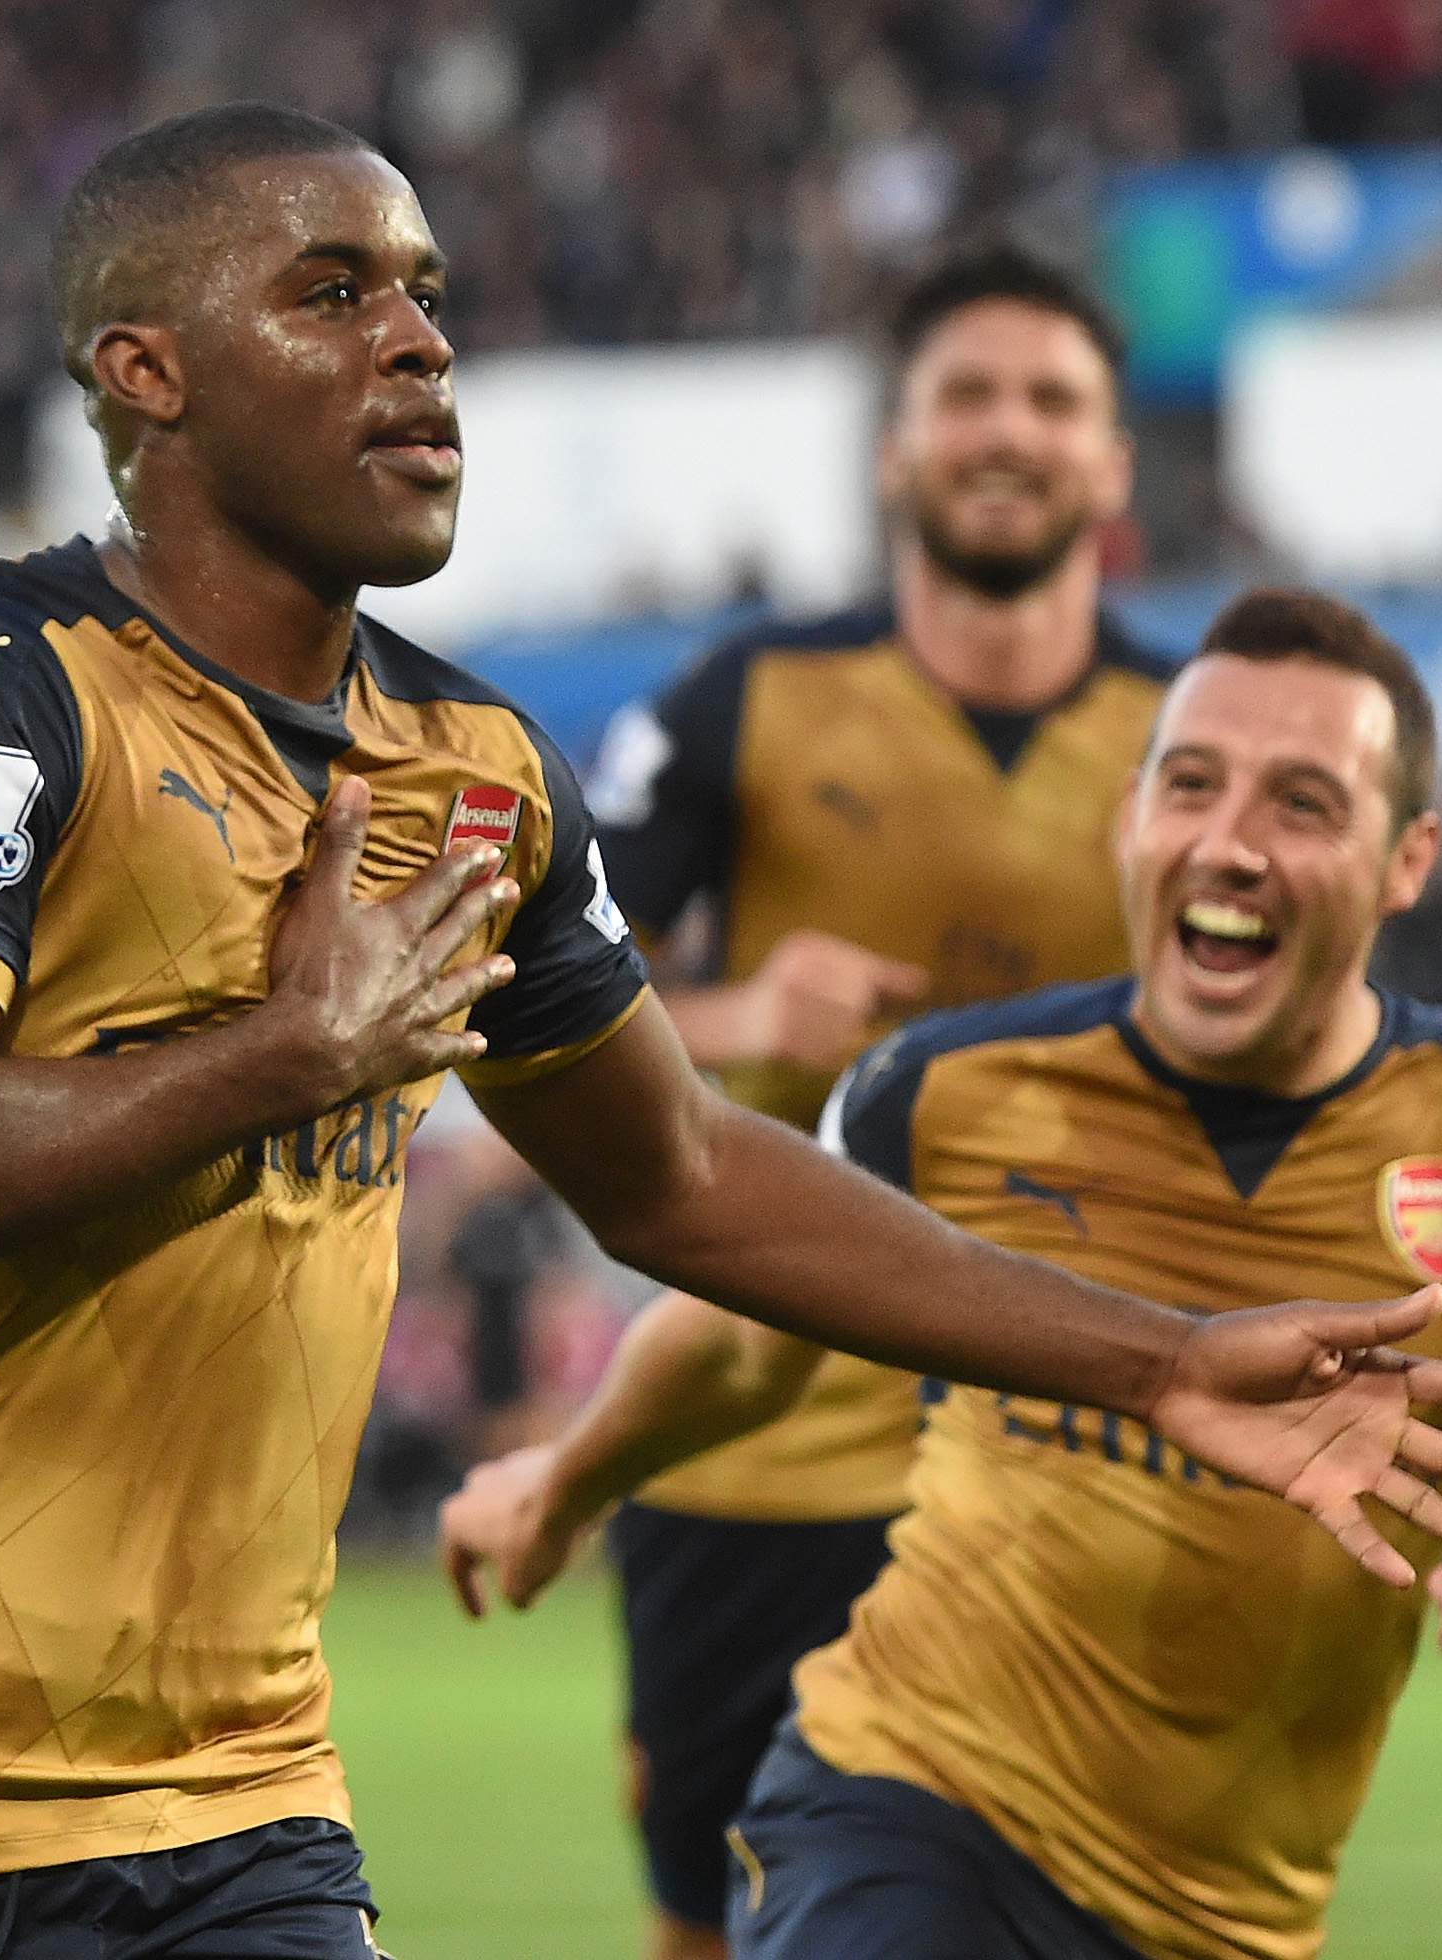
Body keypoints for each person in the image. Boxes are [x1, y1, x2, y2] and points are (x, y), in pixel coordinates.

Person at [0, 107, 1442, 1960]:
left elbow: (681, 1173)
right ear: (141, 373)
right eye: (330, 290)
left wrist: (1169, 1358)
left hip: (230, 1816)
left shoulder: (480, 768)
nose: (418, 343)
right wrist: (278, 1054)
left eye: (425, 293)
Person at [441, 587, 1442, 1960]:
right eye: (1190, 785)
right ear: (1129, 817)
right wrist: (564, 1482)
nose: (1229, 843)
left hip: (1232, 1920)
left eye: (1302, 804)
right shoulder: (940, 1092)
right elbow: (741, 1350)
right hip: (903, 1801)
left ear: (1407, 860)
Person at [579, 239, 1168, 1959]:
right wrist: (737, 1008)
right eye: (964, 395)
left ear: (1113, 458)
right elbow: (519, 1009)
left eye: (1051, 399)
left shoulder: (1186, 740)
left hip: (1069, 1451)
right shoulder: (740, 704)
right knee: (711, 1914)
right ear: (892, 449)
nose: (1008, 431)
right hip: (754, 1445)